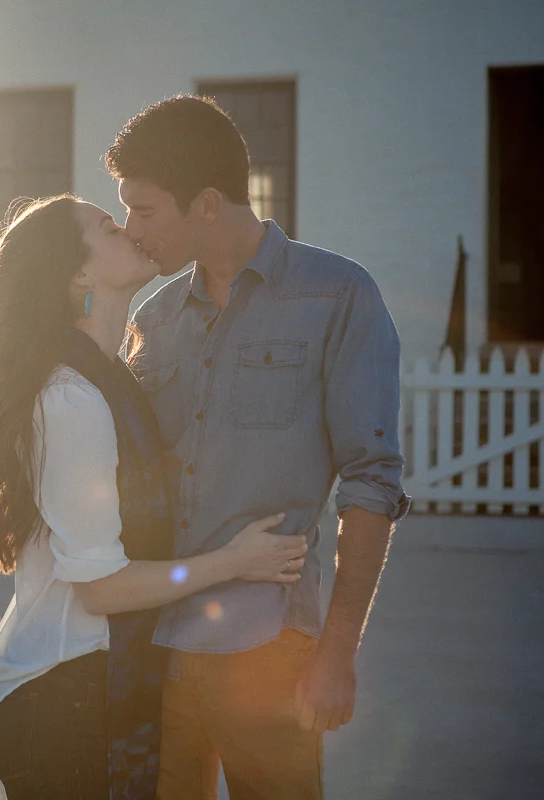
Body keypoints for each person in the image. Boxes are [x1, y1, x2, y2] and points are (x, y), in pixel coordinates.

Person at [105, 95, 411, 799]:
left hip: (271, 655)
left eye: (144, 210)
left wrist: (337, 653)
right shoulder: (152, 316)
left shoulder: (338, 295)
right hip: (156, 657)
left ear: (207, 203)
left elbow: (371, 481)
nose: (131, 229)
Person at [0, 193, 310, 799]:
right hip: (56, 695)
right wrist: (235, 562)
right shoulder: (72, 398)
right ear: (79, 274)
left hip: (84, 688)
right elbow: (102, 588)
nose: (130, 232)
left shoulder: (113, 376)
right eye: (108, 227)